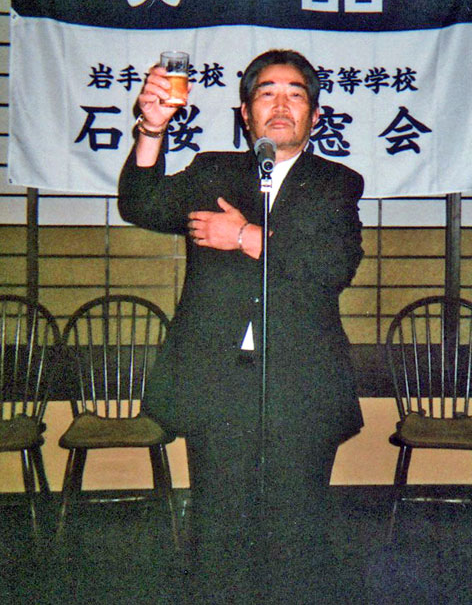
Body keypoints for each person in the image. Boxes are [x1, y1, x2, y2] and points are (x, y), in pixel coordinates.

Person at [118, 49, 364, 604]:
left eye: (295, 94)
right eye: (266, 93)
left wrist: (247, 237)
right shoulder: (214, 172)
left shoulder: (336, 184)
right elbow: (141, 203)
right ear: (246, 113)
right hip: (219, 382)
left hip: (300, 383)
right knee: (218, 528)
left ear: (314, 116)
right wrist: (152, 129)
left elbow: (334, 268)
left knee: (296, 531)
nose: (281, 105)